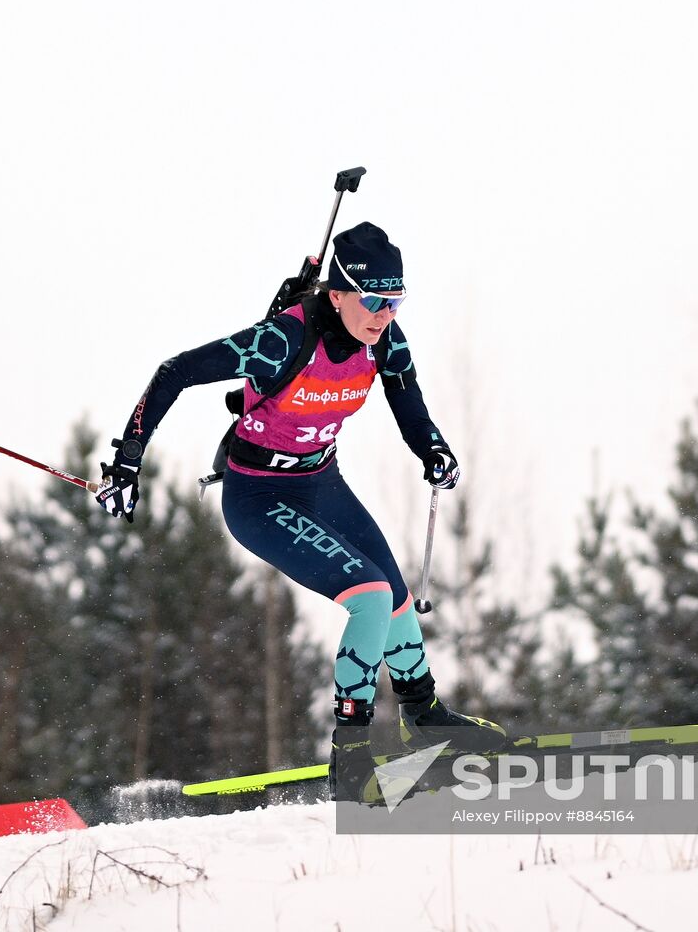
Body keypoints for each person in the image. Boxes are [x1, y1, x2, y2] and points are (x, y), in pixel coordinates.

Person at [95, 222, 505, 793]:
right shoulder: (282, 341)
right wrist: (128, 460)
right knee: (370, 598)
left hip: (320, 483)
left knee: (397, 600)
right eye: (374, 300)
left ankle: (425, 719)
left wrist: (433, 448)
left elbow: (410, 406)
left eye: (396, 300)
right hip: (259, 496)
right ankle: (351, 755)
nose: (385, 314)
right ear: (336, 294)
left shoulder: (385, 340)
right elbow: (176, 372)